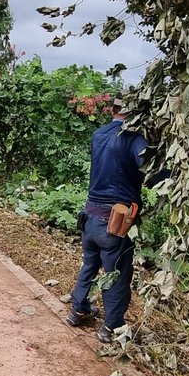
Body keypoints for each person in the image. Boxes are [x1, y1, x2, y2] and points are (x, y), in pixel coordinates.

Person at [66, 92, 150, 343]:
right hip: (114, 221)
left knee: (90, 264)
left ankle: (78, 309)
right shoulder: (134, 140)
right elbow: (151, 170)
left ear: (113, 111)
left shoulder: (98, 135)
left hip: (90, 215)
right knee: (117, 274)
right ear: (135, 114)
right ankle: (112, 326)